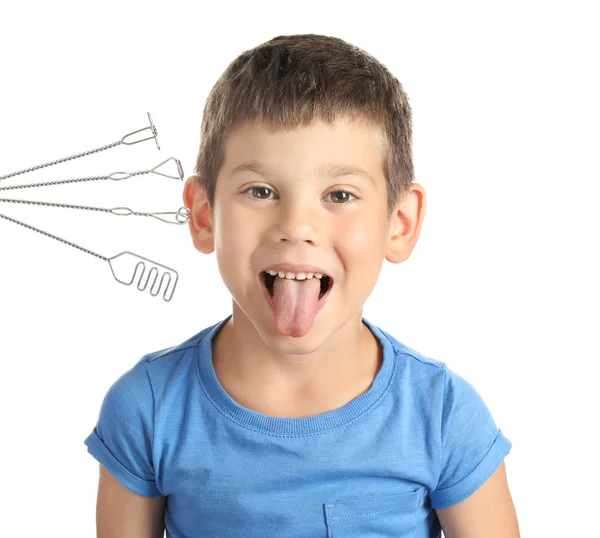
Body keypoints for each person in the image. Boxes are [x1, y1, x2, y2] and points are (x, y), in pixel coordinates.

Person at [84, 33, 520, 538]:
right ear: (205, 214)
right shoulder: (148, 409)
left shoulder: (443, 416)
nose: (297, 225)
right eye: (261, 191)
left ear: (398, 222)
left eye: (339, 194)